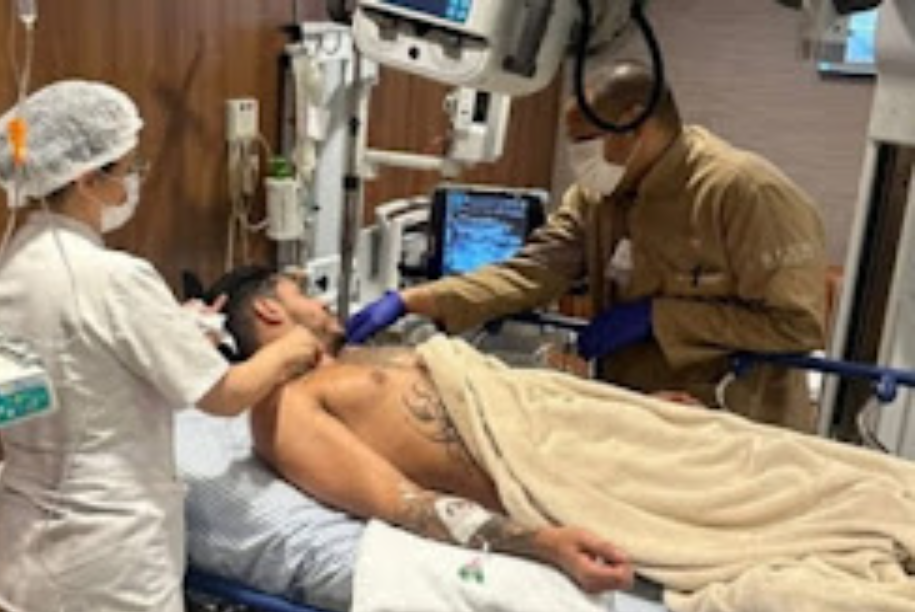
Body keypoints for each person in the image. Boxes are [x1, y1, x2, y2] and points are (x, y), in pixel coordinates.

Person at [209, 265, 915, 612]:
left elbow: (513, 391)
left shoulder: (360, 359)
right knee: (795, 520)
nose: (323, 300)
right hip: (561, 470)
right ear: (269, 307)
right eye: (304, 291)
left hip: (586, 427)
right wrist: (540, 543)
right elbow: (405, 503)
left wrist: (633, 408)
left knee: (812, 471)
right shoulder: (284, 405)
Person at [0, 81, 322, 612]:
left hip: (18, 577)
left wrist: (174, 333)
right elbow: (224, 396)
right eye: (130, 168)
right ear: (88, 178)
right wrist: (292, 349)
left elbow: (78, 360)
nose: (134, 182)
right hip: (110, 591)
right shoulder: (115, 277)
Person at [347, 60, 828, 431]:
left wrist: (661, 318)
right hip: (634, 412)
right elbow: (533, 271)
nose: (578, 157)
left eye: (585, 140)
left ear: (634, 122)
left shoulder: (745, 195)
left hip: (737, 426)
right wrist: (415, 300)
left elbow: (798, 326)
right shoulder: (597, 198)